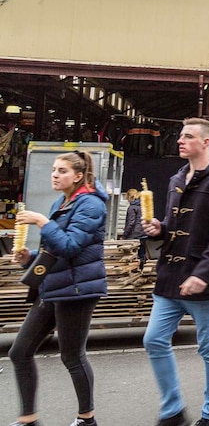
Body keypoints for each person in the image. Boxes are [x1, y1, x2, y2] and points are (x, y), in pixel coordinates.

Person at [141, 118, 209, 426]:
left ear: (206, 142)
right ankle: (172, 410)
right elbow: (178, 226)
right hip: (171, 277)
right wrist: (160, 229)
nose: (180, 141)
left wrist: (203, 273)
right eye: (181, 136)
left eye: (188, 136)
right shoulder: (176, 178)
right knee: (154, 340)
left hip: (204, 282)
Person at [9, 151, 108, 426]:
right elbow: (55, 249)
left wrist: (42, 222)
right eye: (54, 169)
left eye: (62, 170)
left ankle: (86, 419)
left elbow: (70, 245)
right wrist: (29, 257)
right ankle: (28, 418)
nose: (54, 174)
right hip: (53, 286)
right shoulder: (63, 202)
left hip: (77, 290)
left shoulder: (91, 205)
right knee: (19, 351)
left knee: (72, 356)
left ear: (78, 175)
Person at [122, 188, 148, 268]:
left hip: (134, 235)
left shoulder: (132, 208)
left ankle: (133, 271)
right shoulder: (143, 206)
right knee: (142, 255)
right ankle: (141, 271)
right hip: (143, 233)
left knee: (131, 256)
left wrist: (125, 235)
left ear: (129, 197)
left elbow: (131, 223)